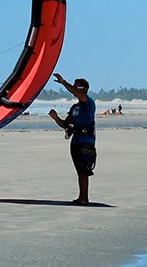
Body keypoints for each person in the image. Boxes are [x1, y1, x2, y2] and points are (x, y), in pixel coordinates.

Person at [48, 73, 97, 205]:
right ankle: (81, 197)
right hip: (75, 141)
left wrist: (63, 82)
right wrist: (56, 118)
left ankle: (84, 198)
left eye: (77, 88)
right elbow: (65, 124)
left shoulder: (88, 102)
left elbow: (77, 93)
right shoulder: (75, 107)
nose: (74, 90)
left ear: (83, 89)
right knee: (79, 170)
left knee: (83, 170)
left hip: (86, 141)